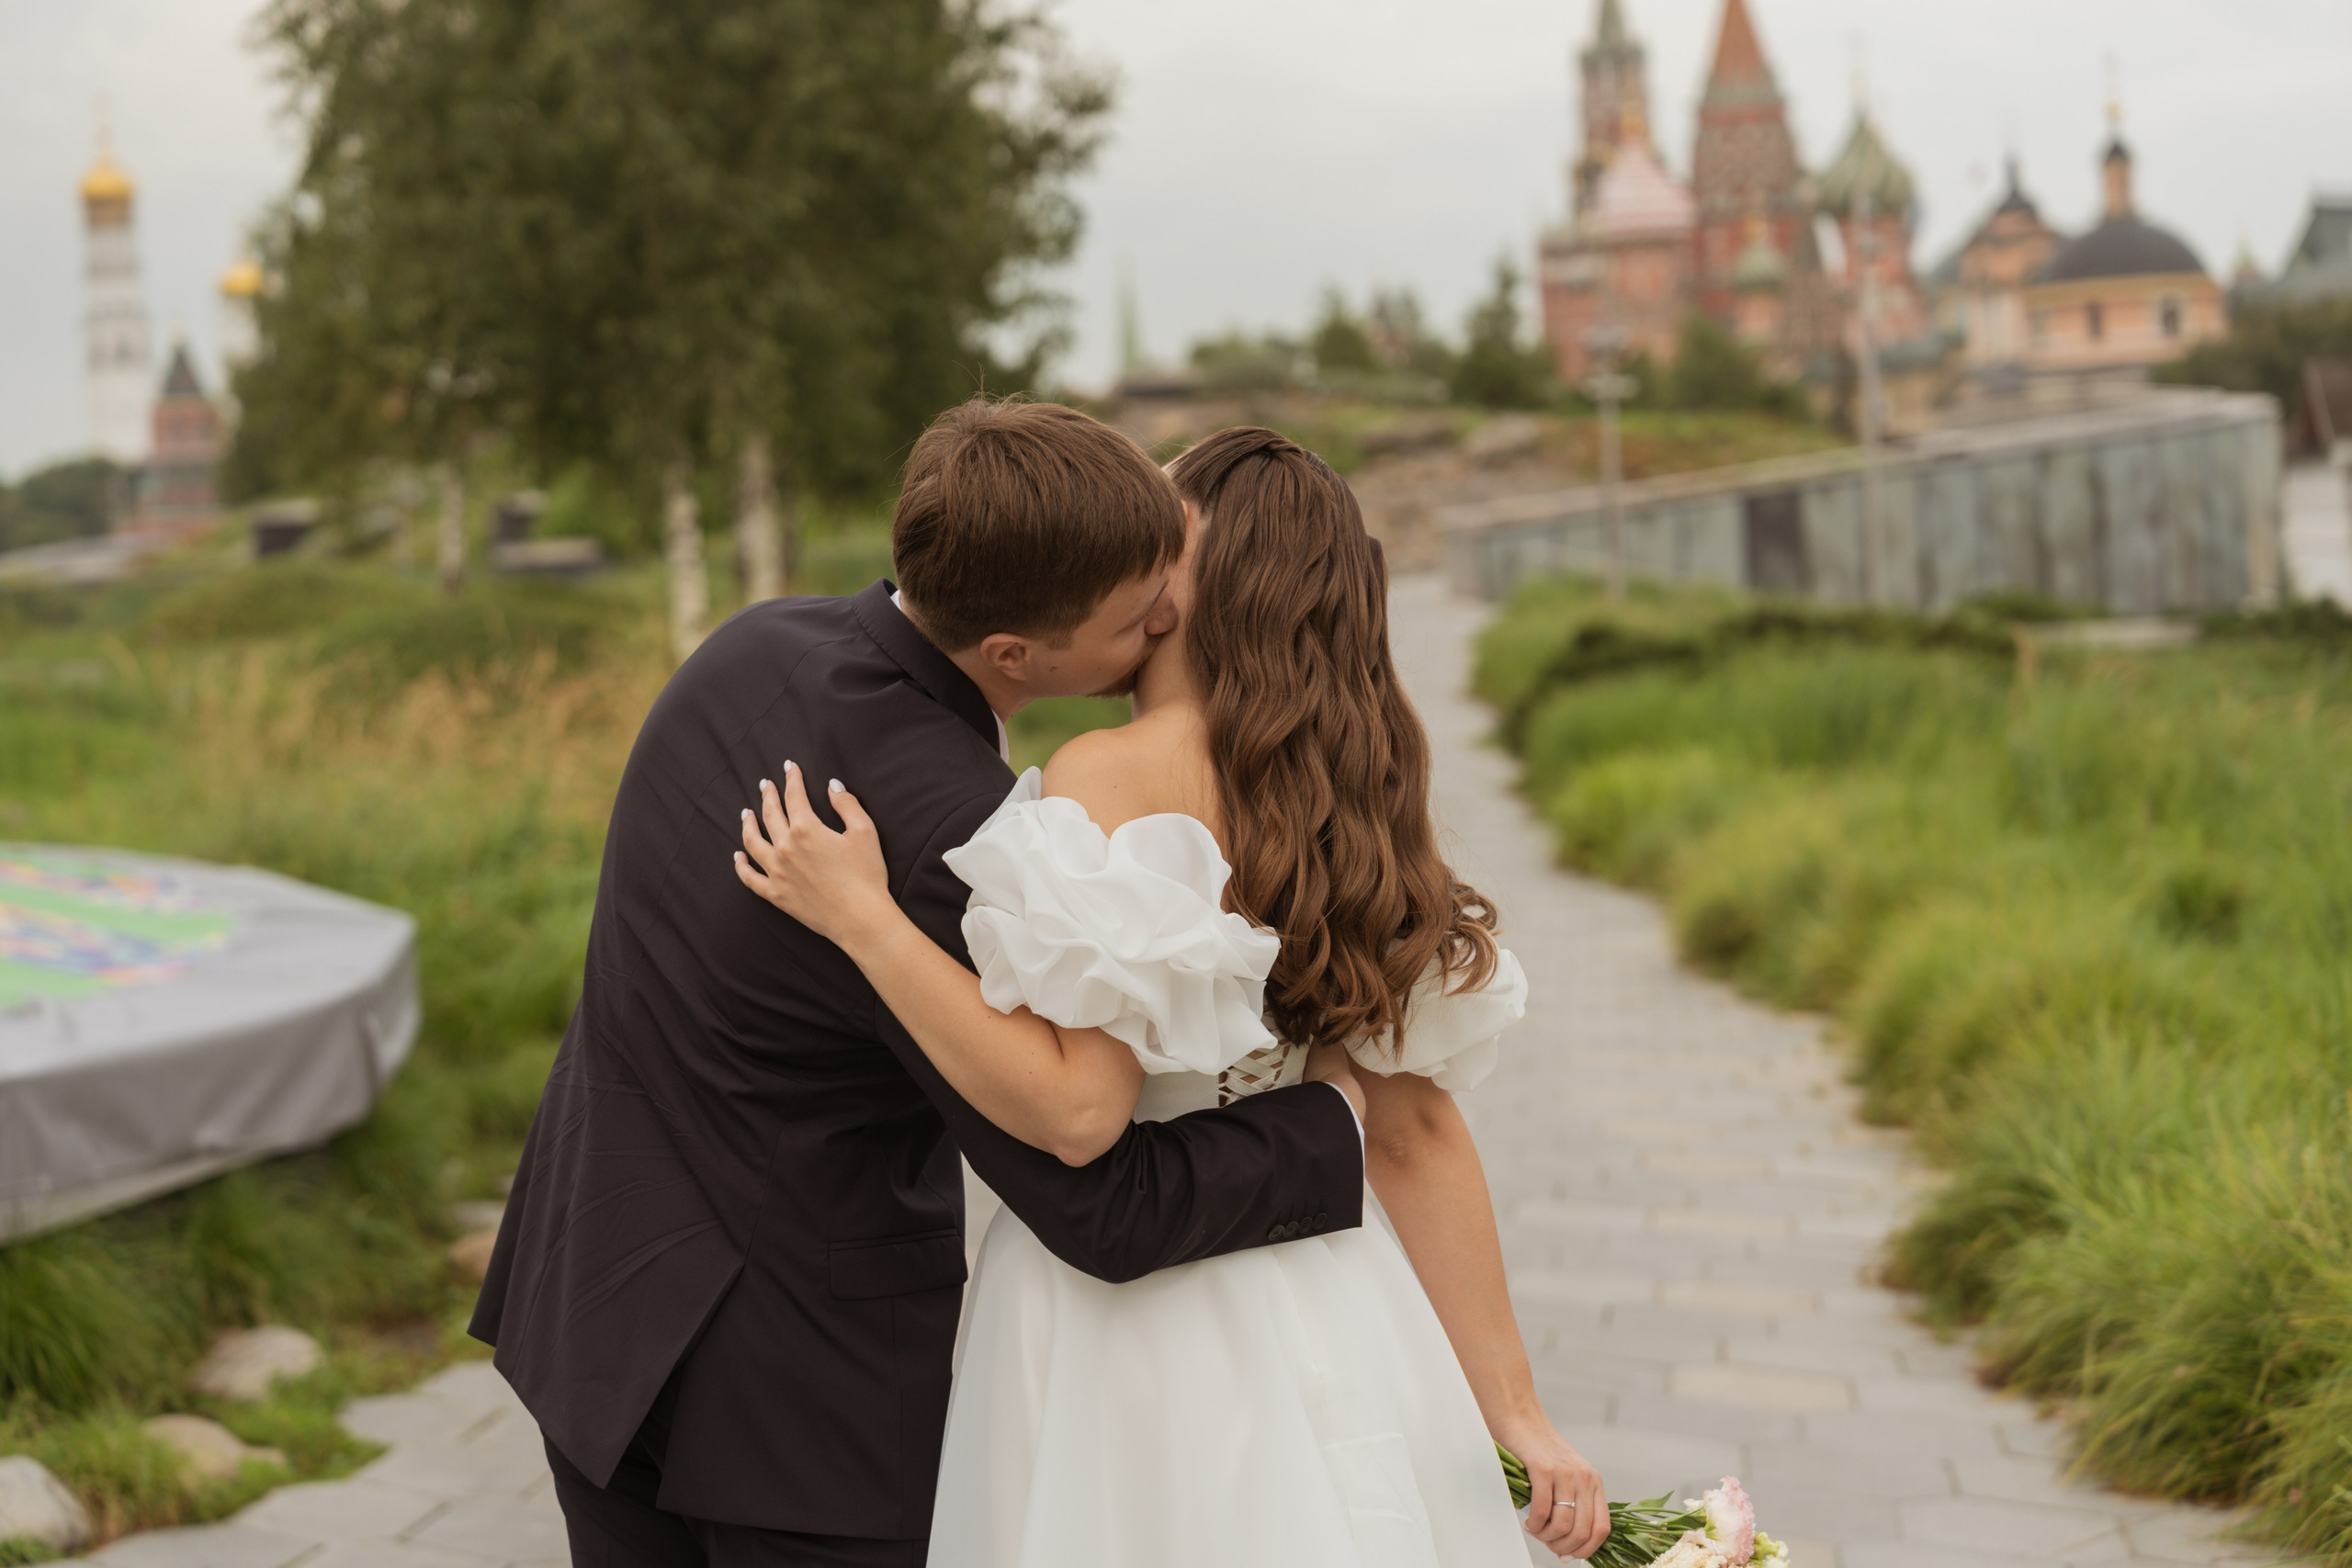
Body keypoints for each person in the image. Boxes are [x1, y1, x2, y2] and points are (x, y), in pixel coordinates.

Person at [469, 400, 1372, 1568]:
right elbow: (1095, 1196)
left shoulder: (747, 648)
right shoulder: (962, 837)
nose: (1164, 621)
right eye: (1132, 611)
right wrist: (1338, 1127)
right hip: (800, 1418)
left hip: (593, 1314)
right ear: (1014, 656)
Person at [734, 424, 1611, 1566]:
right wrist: (1517, 1412)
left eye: (1160, 550)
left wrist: (863, 922)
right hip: (1332, 1287)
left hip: (1122, 1326)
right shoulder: (1357, 794)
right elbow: (1417, 1129)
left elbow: (1070, 1104)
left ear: (1199, 591)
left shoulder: (1114, 772)